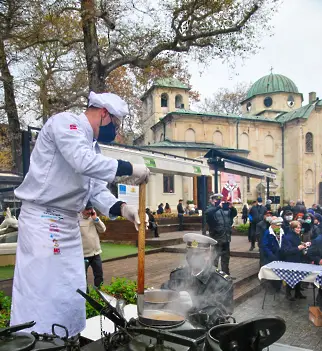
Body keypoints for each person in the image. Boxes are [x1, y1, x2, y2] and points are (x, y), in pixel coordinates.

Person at [10, 91, 150, 337]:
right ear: (104, 113)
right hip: (43, 219)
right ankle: (35, 343)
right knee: (42, 288)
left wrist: (124, 209)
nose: (115, 133)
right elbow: (83, 162)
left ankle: (67, 339)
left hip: (67, 221)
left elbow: (95, 188)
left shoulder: (92, 146)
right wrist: (129, 167)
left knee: (70, 287)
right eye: (115, 125)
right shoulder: (66, 123)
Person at [161, 233, 234, 326]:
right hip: (176, 326)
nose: (192, 258)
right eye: (190, 252)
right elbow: (165, 292)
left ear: (208, 254)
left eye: (197, 253)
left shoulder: (222, 282)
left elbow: (221, 315)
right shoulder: (177, 274)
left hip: (203, 334)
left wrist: (194, 306)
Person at [205, 194, 237, 275]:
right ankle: (214, 275)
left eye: (219, 200)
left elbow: (233, 214)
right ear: (212, 200)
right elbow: (208, 213)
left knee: (226, 258)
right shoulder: (210, 208)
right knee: (215, 258)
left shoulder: (225, 209)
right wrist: (218, 207)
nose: (218, 201)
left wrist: (232, 207)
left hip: (226, 237)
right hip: (216, 238)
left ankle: (225, 274)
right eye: (216, 200)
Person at [80, 202, 106, 288]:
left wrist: (96, 219)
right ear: (82, 209)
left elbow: (102, 230)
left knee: (99, 275)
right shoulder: (77, 219)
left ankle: (100, 292)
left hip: (96, 253)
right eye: (87, 209)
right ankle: (85, 296)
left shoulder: (94, 218)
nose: (89, 211)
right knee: (83, 277)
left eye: (90, 209)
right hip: (84, 255)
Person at [281, 221, 307, 300]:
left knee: (298, 277)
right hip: (290, 260)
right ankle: (288, 293)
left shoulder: (297, 236)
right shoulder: (287, 237)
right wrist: (298, 248)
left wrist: (303, 245)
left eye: (300, 228)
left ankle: (297, 292)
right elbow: (286, 250)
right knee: (290, 277)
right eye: (297, 228)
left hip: (298, 259)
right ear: (293, 228)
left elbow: (296, 244)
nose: (299, 229)